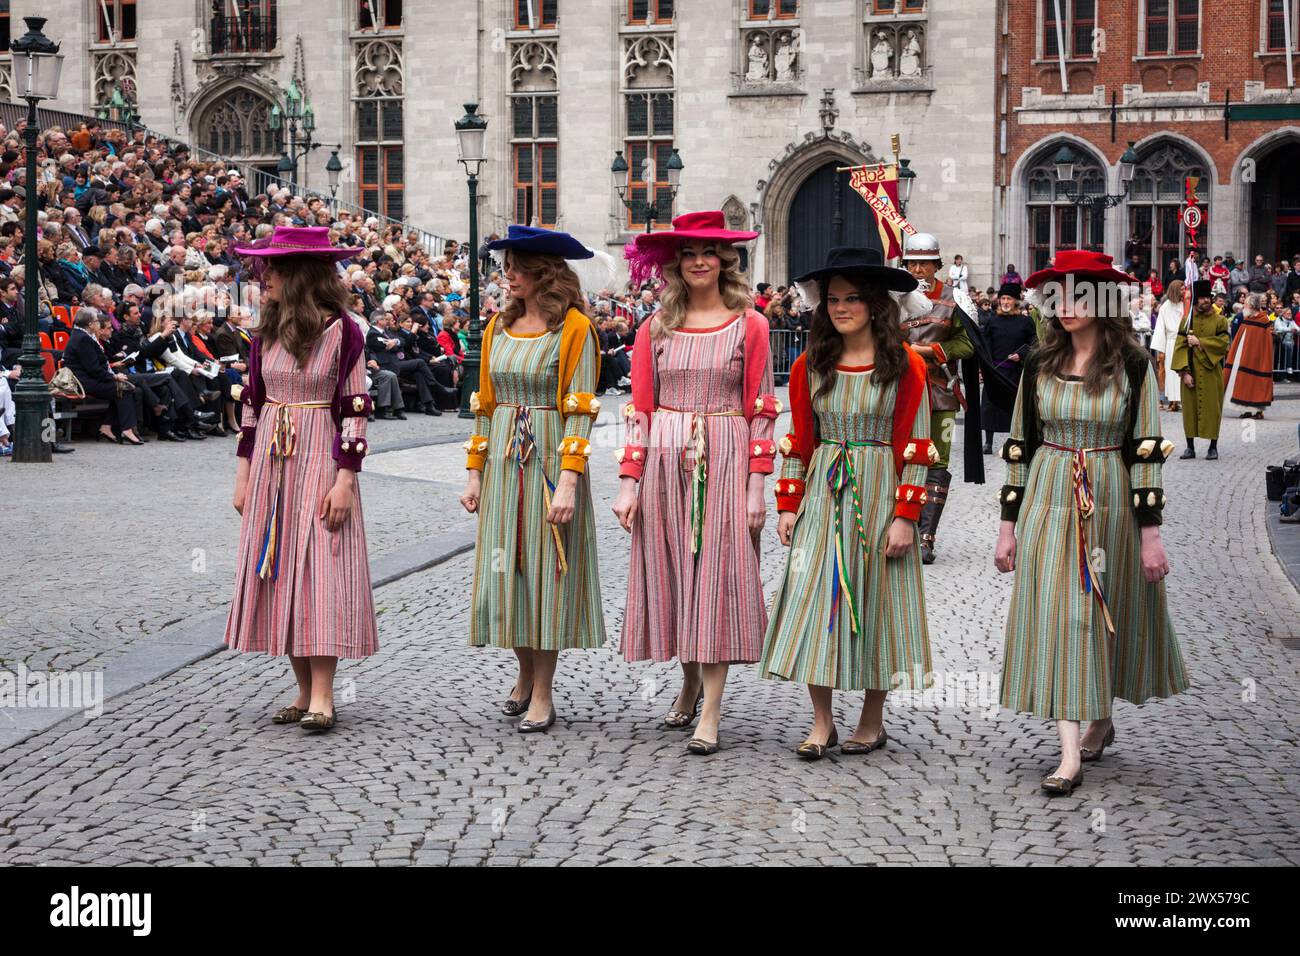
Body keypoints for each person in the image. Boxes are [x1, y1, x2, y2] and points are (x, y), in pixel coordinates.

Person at [994, 249, 1188, 796]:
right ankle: (1068, 752)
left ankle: (1101, 719)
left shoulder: (1131, 365)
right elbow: (1019, 446)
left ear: (1105, 302)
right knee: (1064, 611)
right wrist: (1008, 526)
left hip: (1110, 500)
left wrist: (1151, 535)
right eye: (1057, 296)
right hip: (1048, 494)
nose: (1066, 306)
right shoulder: (1037, 363)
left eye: (1079, 294)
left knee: (1107, 610)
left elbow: (1146, 450)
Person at [760, 247, 933, 759]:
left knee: (879, 600)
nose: (841, 307)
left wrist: (906, 518)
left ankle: (871, 719)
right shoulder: (809, 367)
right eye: (833, 298)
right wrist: (788, 503)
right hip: (823, 490)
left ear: (875, 305)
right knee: (815, 598)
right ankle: (821, 721)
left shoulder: (906, 367)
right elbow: (797, 442)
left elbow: (918, 446)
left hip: (879, 488)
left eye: (853, 298)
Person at [615, 210, 773, 756]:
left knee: (716, 575)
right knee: (678, 573)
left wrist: (758, 485)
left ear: (725, 260)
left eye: (709, 252)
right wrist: (629, 481)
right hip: (664, 455)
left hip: (725, 456)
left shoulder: (751, 324)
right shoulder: (653, 328)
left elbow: (761, 407)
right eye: (688, 253)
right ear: (676, 263)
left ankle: (711, 709)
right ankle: (686, 682)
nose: (699, 260)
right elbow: (638, 410)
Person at [224, 226, 378, 732]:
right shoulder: (263, 333)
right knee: (280, 568)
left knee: (320, 568)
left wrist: (345, 480)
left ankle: (325, 696)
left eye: (273, 270)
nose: (262, 277)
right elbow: (252, 407)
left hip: (318, 454)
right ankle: (301, 689)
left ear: (300, 277)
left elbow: (355, 410)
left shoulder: (344, 330)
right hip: (272, 457)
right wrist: (244, 475)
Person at [460, 225, 608, 734]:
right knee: (509, 573)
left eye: (518, 266)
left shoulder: (573, 329)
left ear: (546, 271)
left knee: (547, 575)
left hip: (547, 459)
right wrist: (475, 475)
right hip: (504, 463)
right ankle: (523, 673)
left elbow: (582, 409)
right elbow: (484, 406)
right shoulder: (496, 327)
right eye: (506, 267)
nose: (508, 276)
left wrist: (568, 481)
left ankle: (542, 692)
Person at [899, 232, 984, 564]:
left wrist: (930, 350)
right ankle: (901, 524)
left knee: (937, 462)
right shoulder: (894, 298)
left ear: (937, 265)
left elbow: (968, 345)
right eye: (913, 263)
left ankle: (926, 535)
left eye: (925, 264)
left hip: (940, 392)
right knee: (904, 458)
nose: (919, 270)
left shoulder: (955, 299)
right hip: (902, 392)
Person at [62, 308, 145, 445]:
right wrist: (114, 377)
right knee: (123, 389)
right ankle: (126, 430)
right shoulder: (83, 339)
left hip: (87, 378)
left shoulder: (83, 336)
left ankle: (106, 426)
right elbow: (93, 369)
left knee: (124, 389)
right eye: (96, 321)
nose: (98, 324)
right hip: (83, 382)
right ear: (90, 324)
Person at [1170, 279, 1230, 460]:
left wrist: (1200, 342)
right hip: (1191, 371)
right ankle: (1190, 447)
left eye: (1207, 298)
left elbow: (1224, 344)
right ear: (1195, 300)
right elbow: (1179, 346)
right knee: (1189, 409)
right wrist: (1184, 372)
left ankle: (1213, 446)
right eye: (1202, 298)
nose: (1205, 301)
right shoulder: (1187, 321)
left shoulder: (1220, 320)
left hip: (1212, 372)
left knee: (1213, 408)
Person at [981, 282, 1036, 455]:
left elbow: (1034, 343)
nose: (1005, 302)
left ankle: (1014, 440)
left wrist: (1021, 355)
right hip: (995, 370)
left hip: (1015, 372)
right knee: (990, 407)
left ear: (1015, 302)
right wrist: (985, 366)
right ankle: (988, 443)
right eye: (1003, 298)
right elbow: (985, 344)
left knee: (1014, 408)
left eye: (1009, 299)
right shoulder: (992, 320)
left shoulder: (1025, 321)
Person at [1223, 292, 1274, 420]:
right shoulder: (1246, 318)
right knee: (1241, 382)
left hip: (1256, 359)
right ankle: (1245, 409)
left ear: (1253, 306)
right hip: (1242, 356)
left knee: (1255, 382)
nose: (1243, 306)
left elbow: (1265, 344)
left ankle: (1257, 411)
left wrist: (1260, 358)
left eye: (1246, 304)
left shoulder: (1263, 320)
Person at [1149, 279, 1186, 411]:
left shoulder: (1185, 305)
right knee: (1171, 372)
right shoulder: (1165, 307)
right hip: (1171, 342)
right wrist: (1161, 349)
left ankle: (1183, 399)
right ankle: (1173, 400)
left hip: (1184, 341)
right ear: (1175, 289)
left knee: (1184, 371)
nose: (1184, 291)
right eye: (1181, 289)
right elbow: (1160, 328)